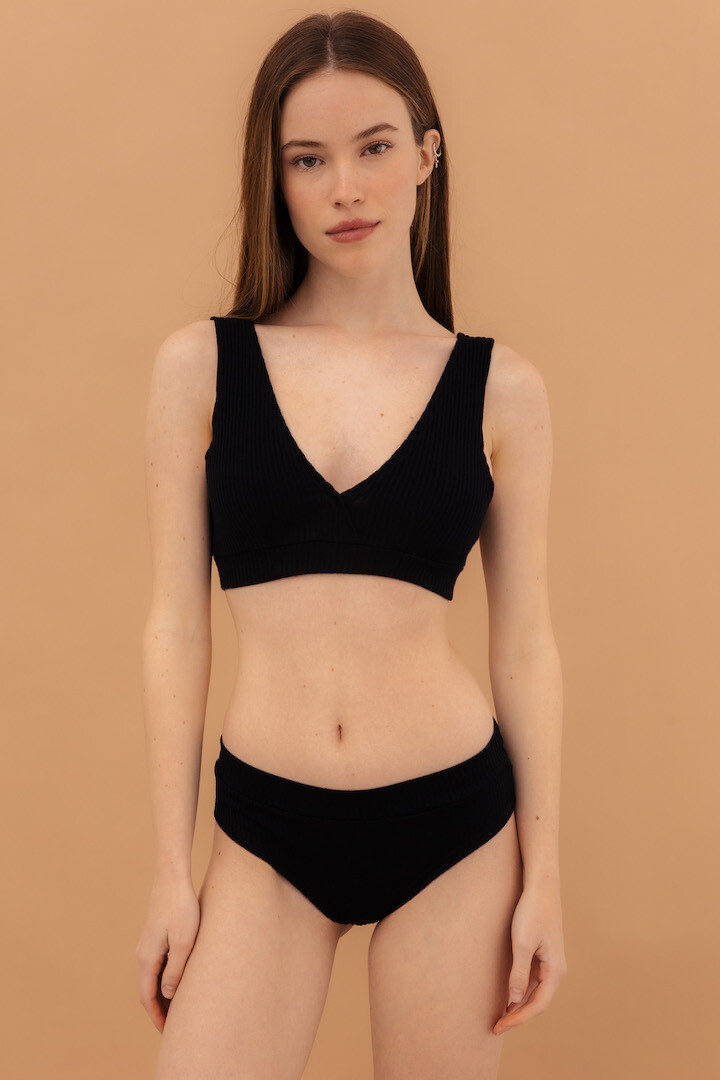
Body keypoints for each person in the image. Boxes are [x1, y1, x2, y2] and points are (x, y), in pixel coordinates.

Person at [136, 9, 566, 1079]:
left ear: (426, 155)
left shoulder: (502, 390)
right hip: (266, 830)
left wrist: (545, 876)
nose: (345, 189)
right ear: (275, 178)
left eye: (374, 147)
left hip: (455, 829)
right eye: (308, 160)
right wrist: (170, 872)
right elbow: (176, 627)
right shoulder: (201, 369)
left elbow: (525, 646)